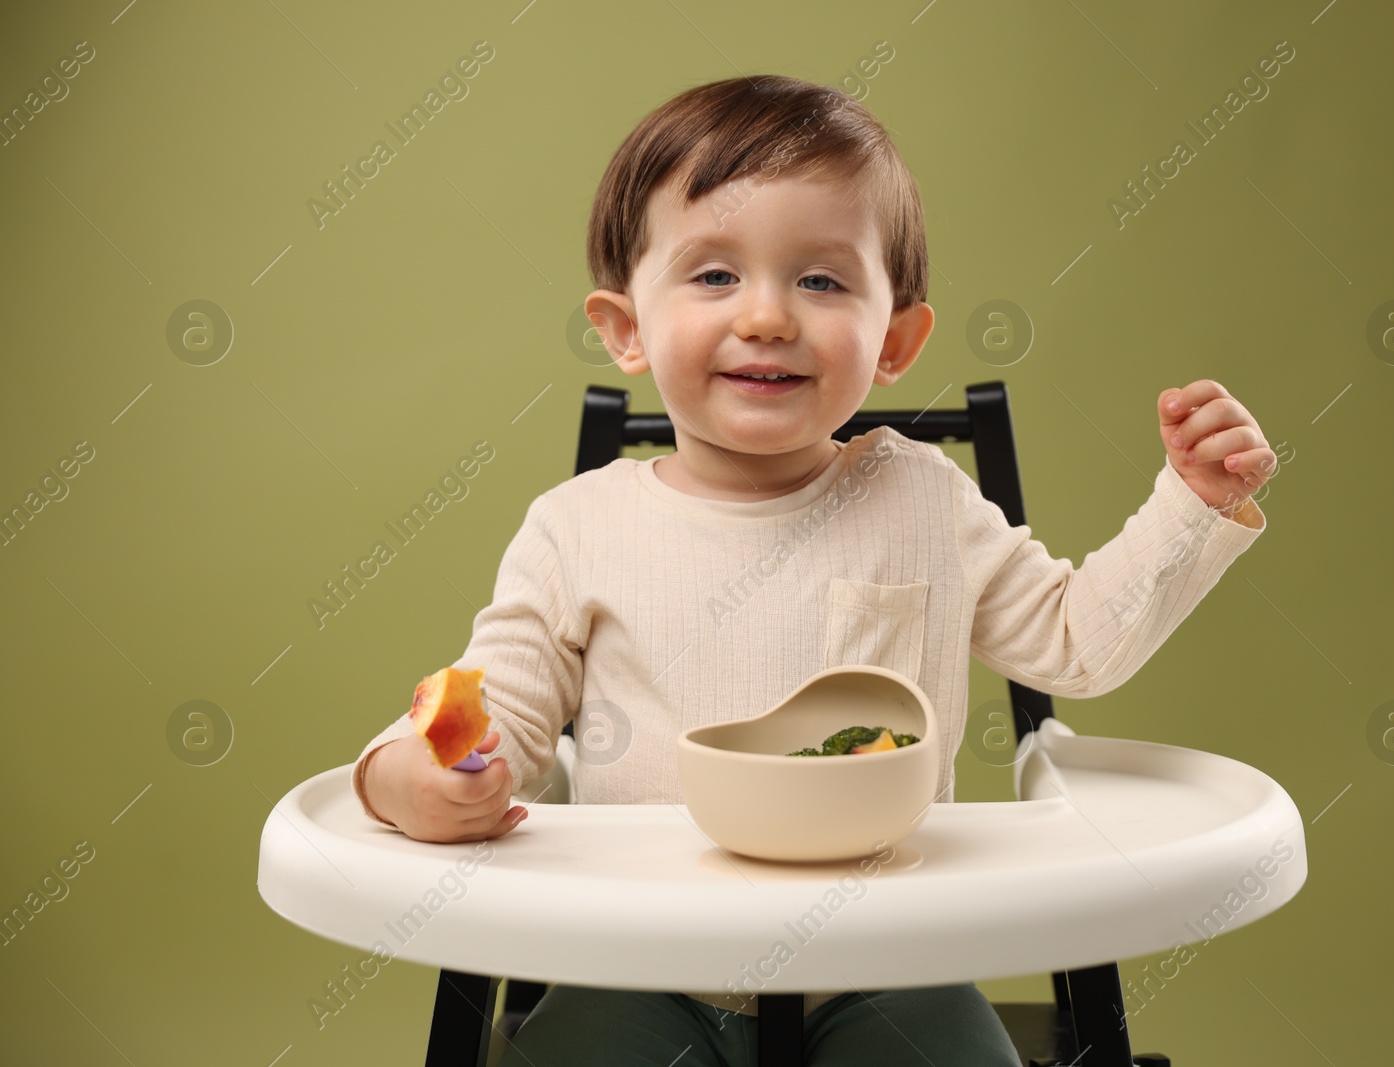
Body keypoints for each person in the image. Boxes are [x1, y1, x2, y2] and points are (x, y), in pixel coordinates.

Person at [352, 72, 1273, 1067]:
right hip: (641, 959)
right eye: (712, 275)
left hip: (887, 958)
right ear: (624, 326)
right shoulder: (577, 527)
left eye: (821, 280)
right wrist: (407, 773)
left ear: (896, 339)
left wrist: (1192, 501)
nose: (766, 317)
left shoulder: (924, 502)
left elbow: (1076, 641)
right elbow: (496, 720)